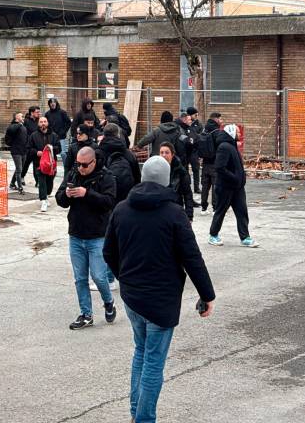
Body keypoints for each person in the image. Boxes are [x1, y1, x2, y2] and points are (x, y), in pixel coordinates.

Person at [103, 155, 216, 423]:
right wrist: (207, 294)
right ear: (166, 181)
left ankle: (135, 413)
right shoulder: (174, 213)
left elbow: (108, 252)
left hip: (132, 297)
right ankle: (143, 418)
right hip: (161, 300)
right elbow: (192, 257)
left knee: (141, 352)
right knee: (153, 360)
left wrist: (125, 277)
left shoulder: (121, 209)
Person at [56, 146, 118, 330]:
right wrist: (66, 195)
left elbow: (109, 202)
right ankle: (86, 314)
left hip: (97, 236)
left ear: (93, 162)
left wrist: (87, 193)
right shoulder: (73, 174)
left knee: (99, 277)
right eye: (78, 164)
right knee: (80, 278)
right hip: (76, 234)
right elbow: (60, 199)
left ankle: (109, 301)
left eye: (84, 165)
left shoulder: (106, 177)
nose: (81, 168)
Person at [209, 124, 260, 248]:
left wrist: (240, 179)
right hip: (226, 187)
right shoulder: (224, 147)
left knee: (242, 212)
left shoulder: (232, 146)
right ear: (231, 133)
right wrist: (234, 177)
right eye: (237, 132)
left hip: (237, 188)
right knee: (221, 211)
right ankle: (213, 235)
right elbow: (220, 168)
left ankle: (245, 237)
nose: (240, 134)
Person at [27, 116, 61, 212]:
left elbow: (59, 148)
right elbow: (29, 149)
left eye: (45, 122)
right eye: (41, 122)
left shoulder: (54, 135)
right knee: (41, 182)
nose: (43, 123)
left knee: (49, 183)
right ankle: (43, 201)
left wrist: (51, 149)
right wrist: (36, 152)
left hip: (51, 165)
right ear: (38, 124)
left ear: (47, 123)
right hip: (39, 163)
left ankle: (46, 195)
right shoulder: (33, 136)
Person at [98, 123, 137, 203]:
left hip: (104, 200)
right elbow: (137, 178)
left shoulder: (97, 154)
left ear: (104, 135)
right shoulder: (129, 155)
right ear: (118, 135)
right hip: (126, 200)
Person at [158, 142, 194, 222]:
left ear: (172, 154)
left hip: (175, 209)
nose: (164, 155)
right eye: (161, 153)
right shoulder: (155, 169)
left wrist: (189, 215)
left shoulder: (180, 171)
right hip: (159, 211)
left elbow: (187, 194)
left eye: (167, 152)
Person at [199, 113, 222, 215]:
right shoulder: (216, 132)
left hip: (205, 163)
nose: (221, 120)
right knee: (215, 186)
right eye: (220, 119)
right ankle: (215, 208)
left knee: (205, 186)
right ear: (216, 119)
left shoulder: (204, 130)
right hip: (214, 163)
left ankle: (203, 208)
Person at [5, 112, 28, 194]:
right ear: (16, 117)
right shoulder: (14, 126)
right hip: (16, 151)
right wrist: (19, 123)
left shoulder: (23, 126)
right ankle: (20, 188)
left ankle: (12, 183)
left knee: (19, 169)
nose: (23, 117)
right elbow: (11, 130)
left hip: (23, 151)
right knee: (19, 170)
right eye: (21, 116)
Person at [178, 112, 200, 193]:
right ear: (184, 120)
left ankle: (196, 188)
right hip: (185, 154)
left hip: (193, 152)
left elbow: (196, 138)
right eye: (189, 120)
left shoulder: (191, 128)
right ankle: (187, 188)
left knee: (196, 170)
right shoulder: (180, 129)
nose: (191, 121)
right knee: (185, 172)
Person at [45, 99, 72, 164]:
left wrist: (63, 131)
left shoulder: (62, 112)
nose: (52, 104)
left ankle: (66, 168)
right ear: (49, 104)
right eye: (51, 102)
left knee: (63, 153)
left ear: (56, 103)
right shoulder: (47, 114)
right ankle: (51, 169)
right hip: (51, 137)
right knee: (51, 153)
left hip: (61, 137)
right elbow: (46, 124)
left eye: (54, 102)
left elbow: (68, 122)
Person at [22, 106, 42, 185]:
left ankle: (37, 181)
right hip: (28, 146)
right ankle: (21, 177)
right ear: (32, 113)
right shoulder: (26, 121)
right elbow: (23, 133)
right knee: (26, 163)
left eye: (39, 112)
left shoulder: (39, 121)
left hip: (36, 146)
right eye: (37, 112)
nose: (38, 113)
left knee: (36, 164)